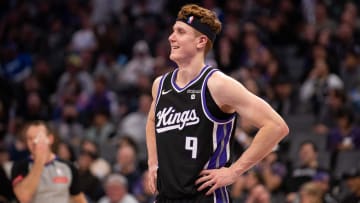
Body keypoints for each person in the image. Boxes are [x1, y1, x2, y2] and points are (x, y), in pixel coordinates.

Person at [145, 4, 289, 202]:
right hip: (167, 196)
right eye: (172, 31)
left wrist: (234, 172)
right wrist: (153, 162)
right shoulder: (160, 85)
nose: (171, 37)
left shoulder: (218, 85)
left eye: (180, 32)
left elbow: (276, 126)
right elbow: (152, 120)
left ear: (201, 41)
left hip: (205, 197)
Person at [11, 120, 87, 203]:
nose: (33, 142)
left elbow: (79, 199)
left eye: (38, 137)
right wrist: (39, 160)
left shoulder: (68, 167)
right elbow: (23, 197)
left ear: (50, 139)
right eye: (30, 138)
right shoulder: (20, 166)